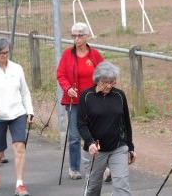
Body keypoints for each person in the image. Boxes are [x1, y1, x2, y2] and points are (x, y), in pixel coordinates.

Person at [0, 37, 34, 196]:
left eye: (7, 52)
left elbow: (25, 92)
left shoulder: (17, 68)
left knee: (19, 147)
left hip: (17, 113)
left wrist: (30, 111)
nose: (5, 56)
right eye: (1, 53)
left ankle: (20, 184)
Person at [77, 61, 137, 196]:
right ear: (97, 79)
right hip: (96, 150)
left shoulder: (119, 96)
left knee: (122, 187)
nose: (109, 86)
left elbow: (126, 123)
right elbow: (81, 124)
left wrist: (131, 148)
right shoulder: (86, 96)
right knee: (93, 188)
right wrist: (90, 142)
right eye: (105, 82)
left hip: (118, 147)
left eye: (112, 82)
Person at [56, 22, 104, 180]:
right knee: (75, 136)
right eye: (74, 36)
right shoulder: (67, 55)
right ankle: (74, 168)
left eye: (79, 35)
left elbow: (104, 73)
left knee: (96, 134)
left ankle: (101, 168)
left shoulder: (95, 55)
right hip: (74, 101)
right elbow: (60, 74)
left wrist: (101, 89)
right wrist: (67, 87)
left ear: (86, 36)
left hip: (93, 101)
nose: (76, 39)